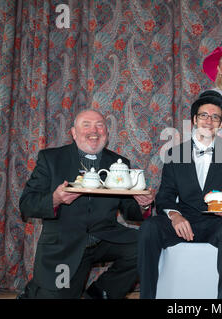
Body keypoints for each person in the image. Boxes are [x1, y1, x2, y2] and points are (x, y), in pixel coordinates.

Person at [18, 109, 154, 299]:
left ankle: (100, 294)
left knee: (146, 243)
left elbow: (129, 210)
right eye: (86, 125)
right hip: (64, 244)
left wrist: (143, 205)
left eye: (100, 125)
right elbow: (26, 204)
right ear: (74, 133)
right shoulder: (51, 159)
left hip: (105, 238)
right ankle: (35, 291)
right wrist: (55, 199)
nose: (94, 131)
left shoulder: (120, 163)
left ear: (106, 133)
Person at [137, 90, 222, 299]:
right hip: (184, 222)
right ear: (194, 120)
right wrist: (175, 216)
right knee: (149, 228)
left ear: (221, 124)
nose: (209, 120)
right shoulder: (175, 153)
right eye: (204, 115)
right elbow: (165, 195)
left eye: (215, 116)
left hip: (218, 222)